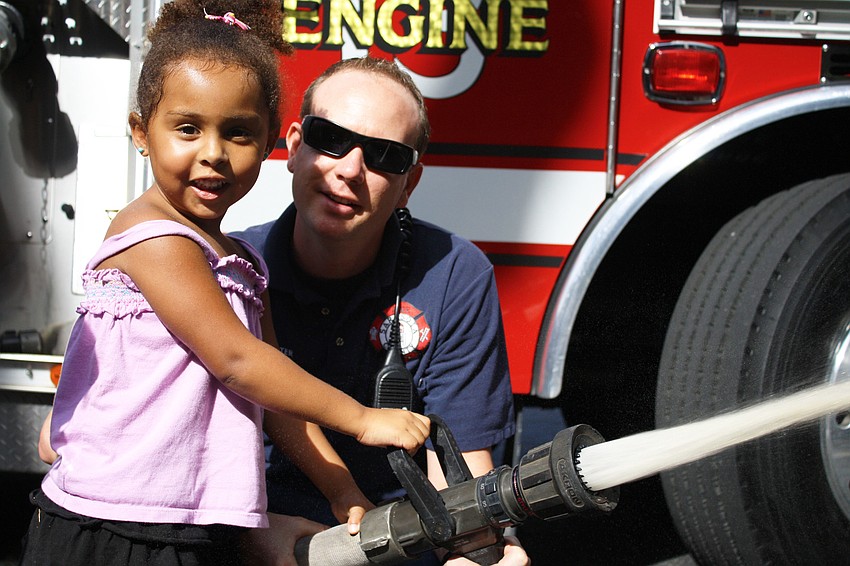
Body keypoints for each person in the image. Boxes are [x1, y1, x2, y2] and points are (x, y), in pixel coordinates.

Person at [19, 3, 431, 565]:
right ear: (141, 132)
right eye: (188, 128)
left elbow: (270, 394)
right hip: (114, 527)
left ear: (267, 145)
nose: (213, 153)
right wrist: (361, 419)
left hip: (191, 528)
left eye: (237, 133)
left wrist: (341, 490)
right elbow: (236, 361)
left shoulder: (239, 259)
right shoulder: (152, 238)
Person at [234, 57, 528, 565]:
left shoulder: (456, 274)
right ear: (294, 145)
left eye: (383, 156)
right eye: (330, 138)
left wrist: (482, 549)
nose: (349, 169)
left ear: (409, 184)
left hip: (396, 541)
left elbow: (461, 471)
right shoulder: (228, 270)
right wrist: (241, 536)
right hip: (252, 529)